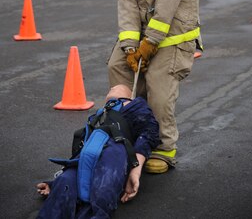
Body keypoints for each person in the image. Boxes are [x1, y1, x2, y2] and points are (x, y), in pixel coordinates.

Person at [100, 0, 201, 174]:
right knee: (117, 67)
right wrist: (131, 45)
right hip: (144, 37)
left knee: (157, 86)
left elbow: (168, 2)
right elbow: (127, 3)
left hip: (174, 36)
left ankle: (163, 148)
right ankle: (129, 135)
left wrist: (151, 42)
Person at [36, 84, 160, 218]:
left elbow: (149, 134)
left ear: (129, 95)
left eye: (115, 87)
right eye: (111, 89)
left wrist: (135, 170)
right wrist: (54, 184)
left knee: (102, 191)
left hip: (115, 151)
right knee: (64, 183)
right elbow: (83, 150)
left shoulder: (136, 106)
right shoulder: (99, 115)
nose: (112, 88)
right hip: (86, 156)